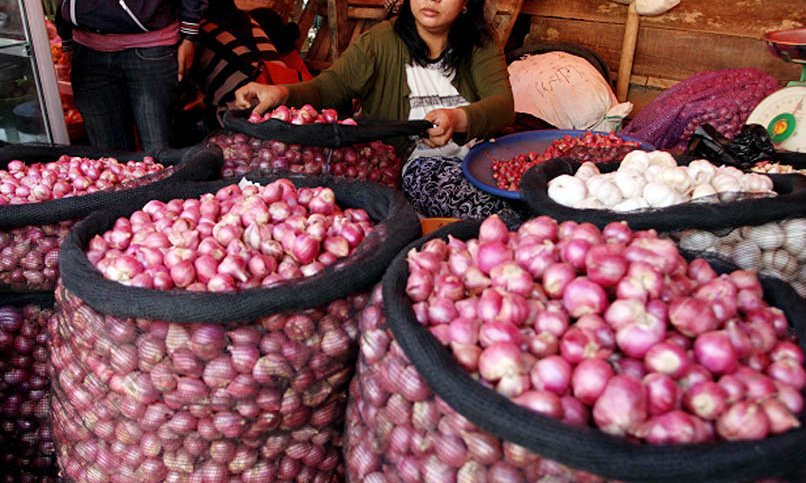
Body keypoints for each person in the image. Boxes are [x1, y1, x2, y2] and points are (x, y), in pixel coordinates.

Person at [234, 0, 516, 222]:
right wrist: (282, 92)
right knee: (489, 209)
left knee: (529, 189)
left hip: (482, 154)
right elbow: (329, 87)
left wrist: (458, 118)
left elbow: (503, 106)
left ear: (466, 2)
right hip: (418, 166)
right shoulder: (379, 42)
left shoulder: (480, 44)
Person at [56, 0, 208, 152]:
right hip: (87, 51)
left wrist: (190, 34)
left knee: (161, 151)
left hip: (151, 47)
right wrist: (67, 39)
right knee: (109, 159)